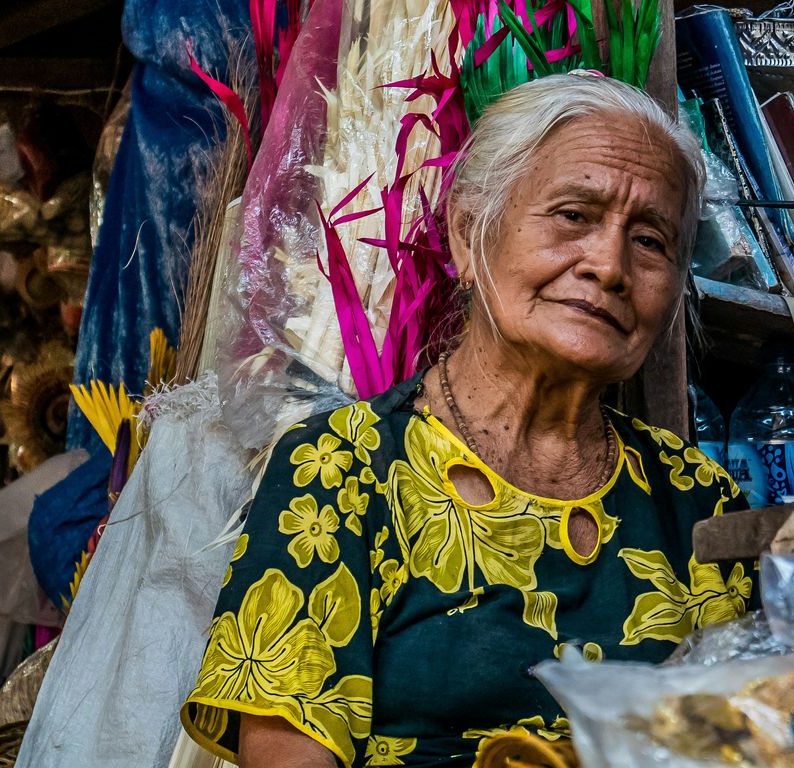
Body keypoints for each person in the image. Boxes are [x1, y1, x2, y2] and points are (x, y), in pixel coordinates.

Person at [180, 73, 754, 768]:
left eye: (651, 242)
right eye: (574, 215)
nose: (608, 265)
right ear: (466, 232)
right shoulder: (342, 469)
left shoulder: (698, 500)